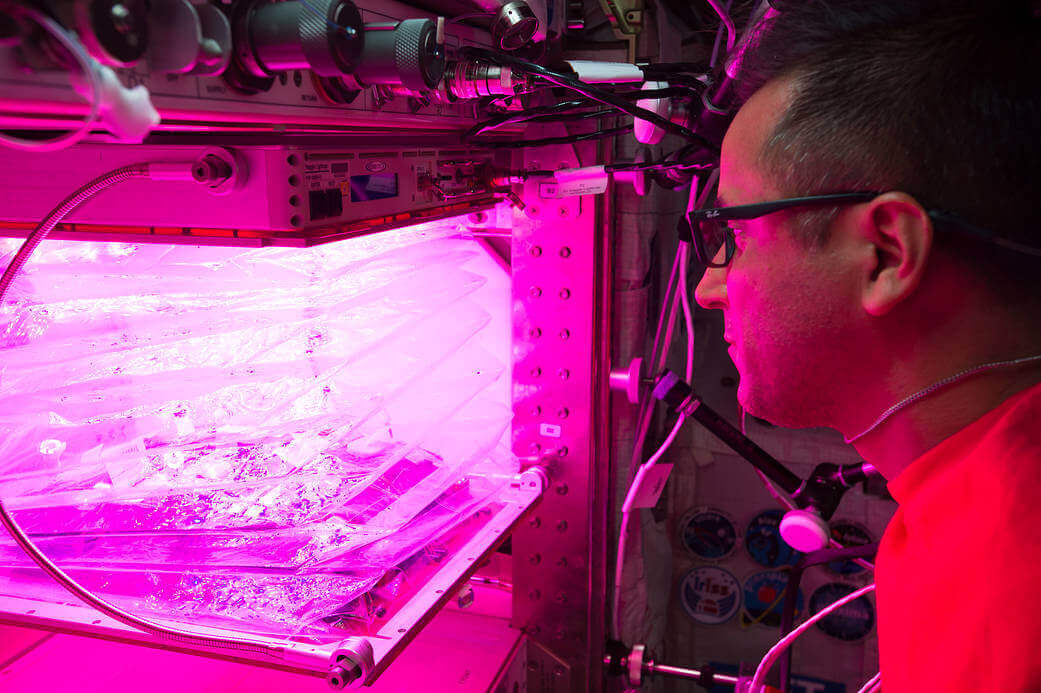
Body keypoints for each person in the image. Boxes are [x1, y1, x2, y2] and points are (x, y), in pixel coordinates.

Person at [689, 0, 1041, 690]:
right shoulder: (958, 507)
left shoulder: (1008, 605)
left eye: (733, 236)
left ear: (883, 252)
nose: (707, 287)